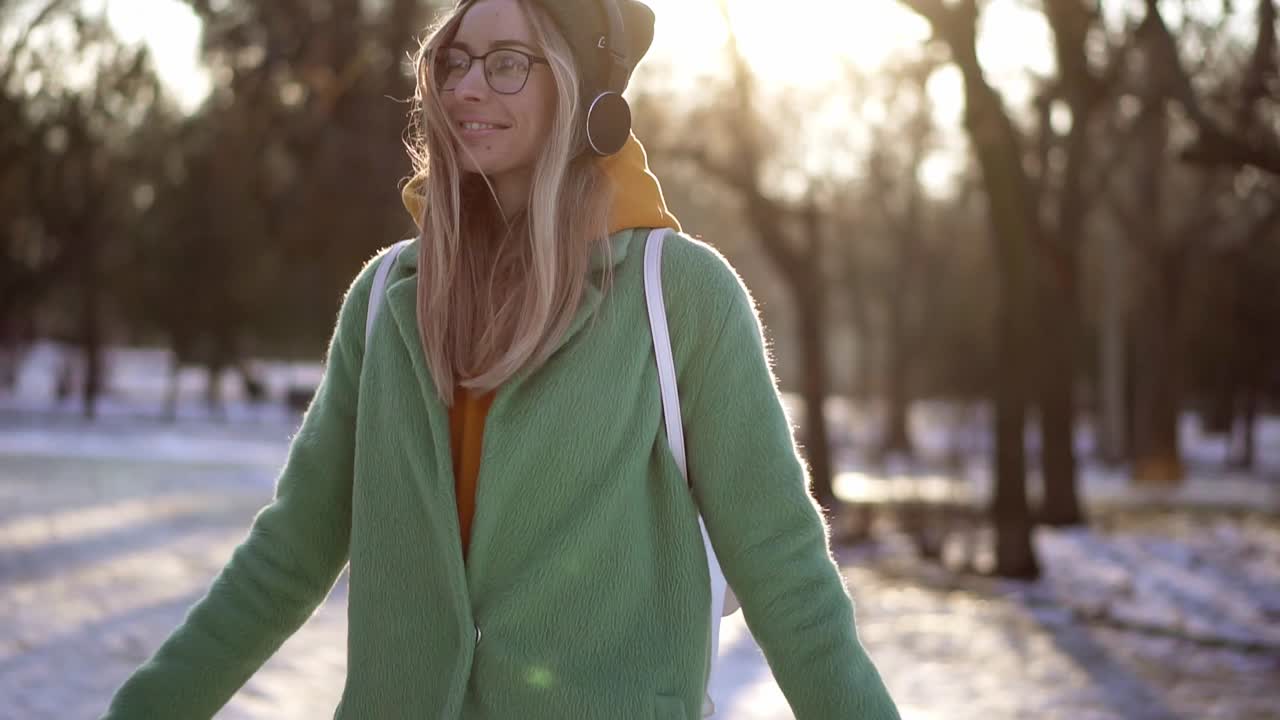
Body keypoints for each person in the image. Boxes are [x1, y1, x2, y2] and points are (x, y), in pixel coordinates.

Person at [102, 1, 900, 718]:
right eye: (454, 62)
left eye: (508, 63)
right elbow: (288, 553)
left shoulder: (682, 296)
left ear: (579, 90)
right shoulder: (386, 301)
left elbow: (785, 570)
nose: (466, 89)